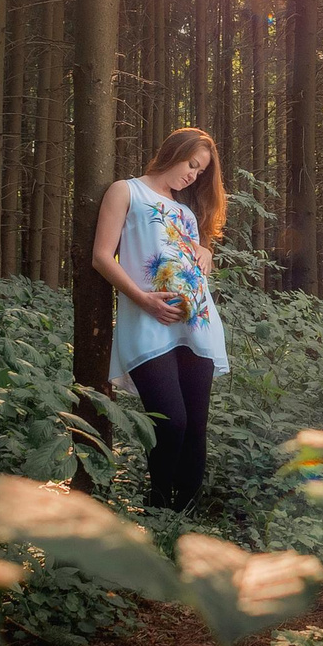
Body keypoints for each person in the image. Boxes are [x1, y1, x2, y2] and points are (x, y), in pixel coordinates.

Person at [90, 126, 231, 511]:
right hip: (147, 320)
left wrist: (206, 252)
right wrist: (143, 299)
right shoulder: (126, 191)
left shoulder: (185, 211)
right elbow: (102, 256)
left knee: (196, 429)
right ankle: (157, 510)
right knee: (172, 423)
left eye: (200, 172)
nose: (193, 175)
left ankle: (181, 523)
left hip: (197, 322)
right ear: (174, 151)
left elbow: (184, 257)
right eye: (192, 164)